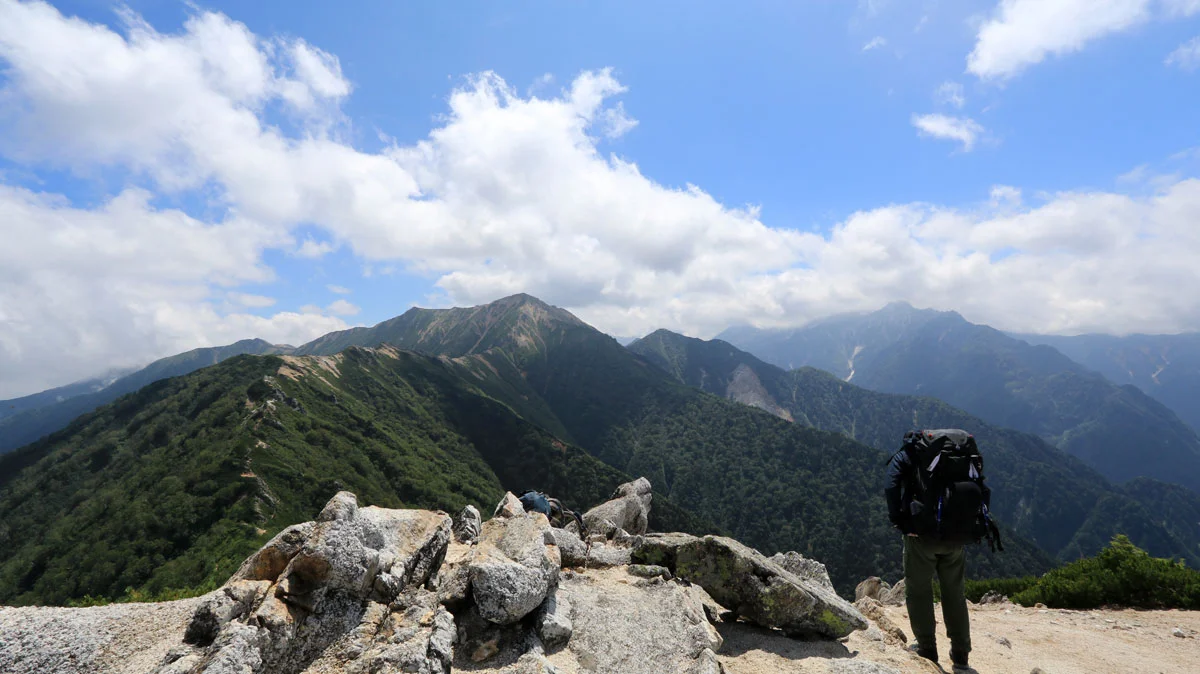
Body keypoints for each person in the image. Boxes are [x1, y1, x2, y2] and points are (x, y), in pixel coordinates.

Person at [885, 431, 986, 671]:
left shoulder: (911, 451)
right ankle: (961, 653)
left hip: (921, 536)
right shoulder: (961, 452)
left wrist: (899, 521)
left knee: (919, 591)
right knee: (955, 593)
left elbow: (891, 484)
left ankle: (927, 648)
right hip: (956, 535)